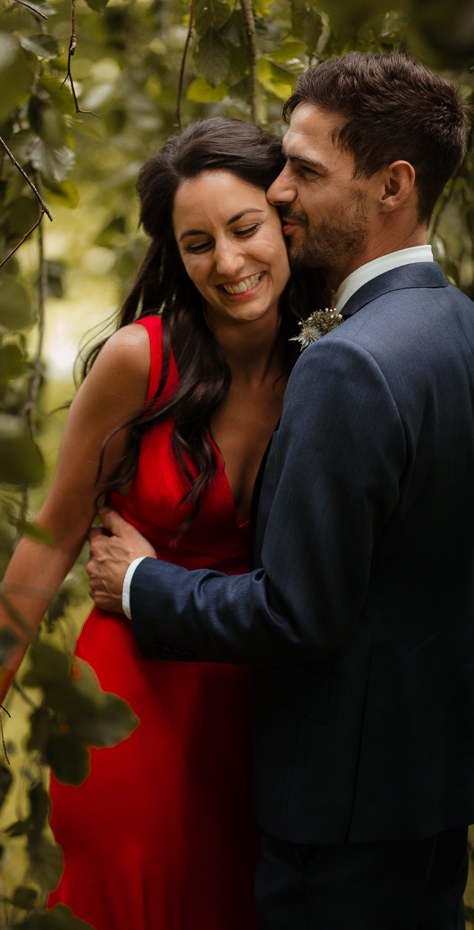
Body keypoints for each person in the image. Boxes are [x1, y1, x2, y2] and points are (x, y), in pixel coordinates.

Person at [86, 51, 474, 930]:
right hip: (430, 798)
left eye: (305, 169)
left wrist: (143, 584)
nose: (283, 193)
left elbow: (299, 615)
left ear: (393, 185)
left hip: (335, 817)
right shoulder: (462, 328)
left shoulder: (348, 363)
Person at [0, 117, 320, 929]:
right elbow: (55, 531)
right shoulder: (142, 360)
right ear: (175, 256)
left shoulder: (331, 362)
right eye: (197, 243)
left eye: (245, 229)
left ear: (285, 220)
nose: (229, 262)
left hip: (261, 705)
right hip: (126, 694)